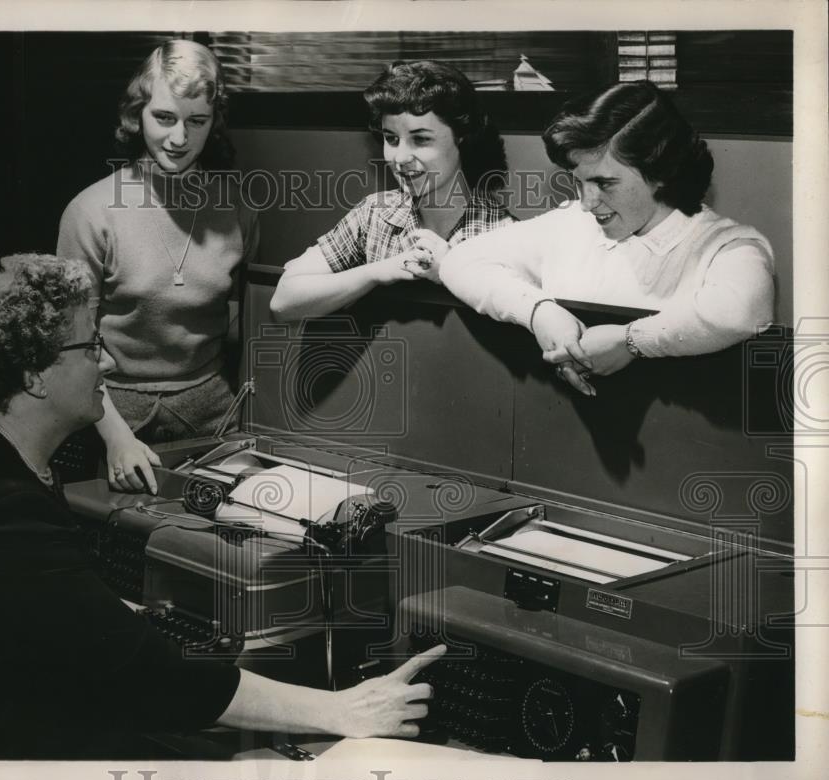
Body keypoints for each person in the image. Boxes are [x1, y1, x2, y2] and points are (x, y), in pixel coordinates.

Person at [0, 254, 444, 760]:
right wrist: (340, 711)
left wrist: (112, 614)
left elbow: (45, 616)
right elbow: (154, 679)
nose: (110, 364)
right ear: (34, 376)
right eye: (91, 346)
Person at [434, 80, 775, 396]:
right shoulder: (570, 225)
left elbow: (740, 311)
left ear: (661, 172)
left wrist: (631, 341)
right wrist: (539, 312)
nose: (586, 202)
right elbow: (461, 260)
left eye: (605, 183)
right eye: (579, 182)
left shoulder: (728, 245)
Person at [57, 41, 257, 494]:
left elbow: (242, 325)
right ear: (137, 114)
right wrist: (116, 439)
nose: (179, 138)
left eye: (197, 121)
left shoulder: (238, 211)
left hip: (213, 417)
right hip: (108, 412)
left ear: (214, 123)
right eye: (164, 118)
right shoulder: (90, 212)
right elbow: (71, 345)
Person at [269, 60, 514, 322]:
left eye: (421, 139)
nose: (400, 157)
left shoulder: (501, 235)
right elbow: (283, 302)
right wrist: (377, 272)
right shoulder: (375, 213)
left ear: (462, 137)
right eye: (391, 139)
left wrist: (451, 271)